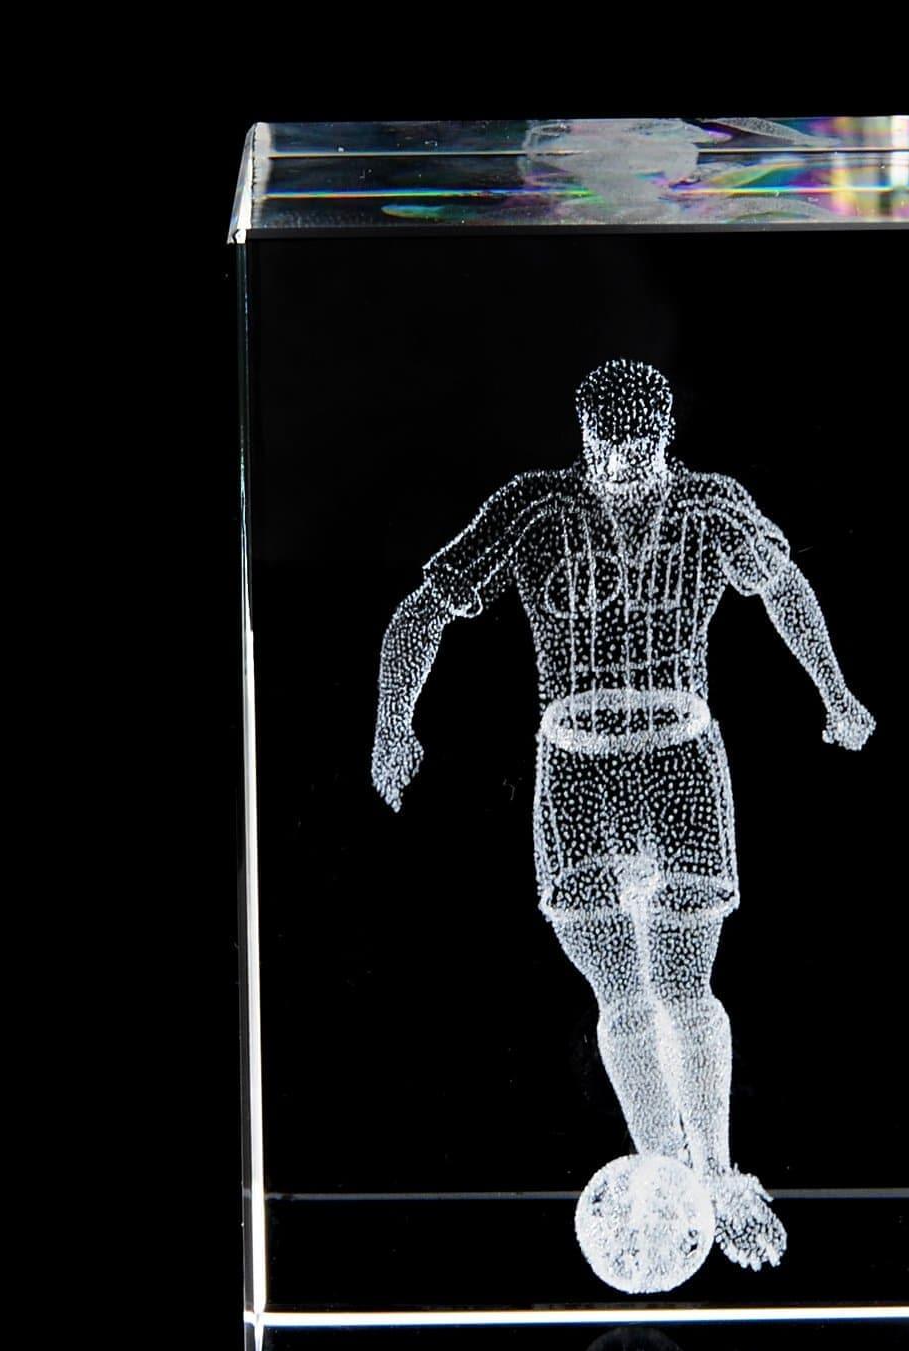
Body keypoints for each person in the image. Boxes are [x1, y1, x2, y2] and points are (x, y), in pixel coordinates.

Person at [372, 358, 874, 1273]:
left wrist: (835, 693)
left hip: (680, 757)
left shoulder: (710, 506)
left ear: (666, 435)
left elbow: (785, 587)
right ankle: (663, 1174)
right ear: (585, 438)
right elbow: (420, 611)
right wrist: (390, 726)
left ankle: (717, 1174)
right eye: (607, 449)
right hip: (575, 772)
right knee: (621, 993)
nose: (622, 466)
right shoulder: (535, 507)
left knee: (683, 983)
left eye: (639, 449)